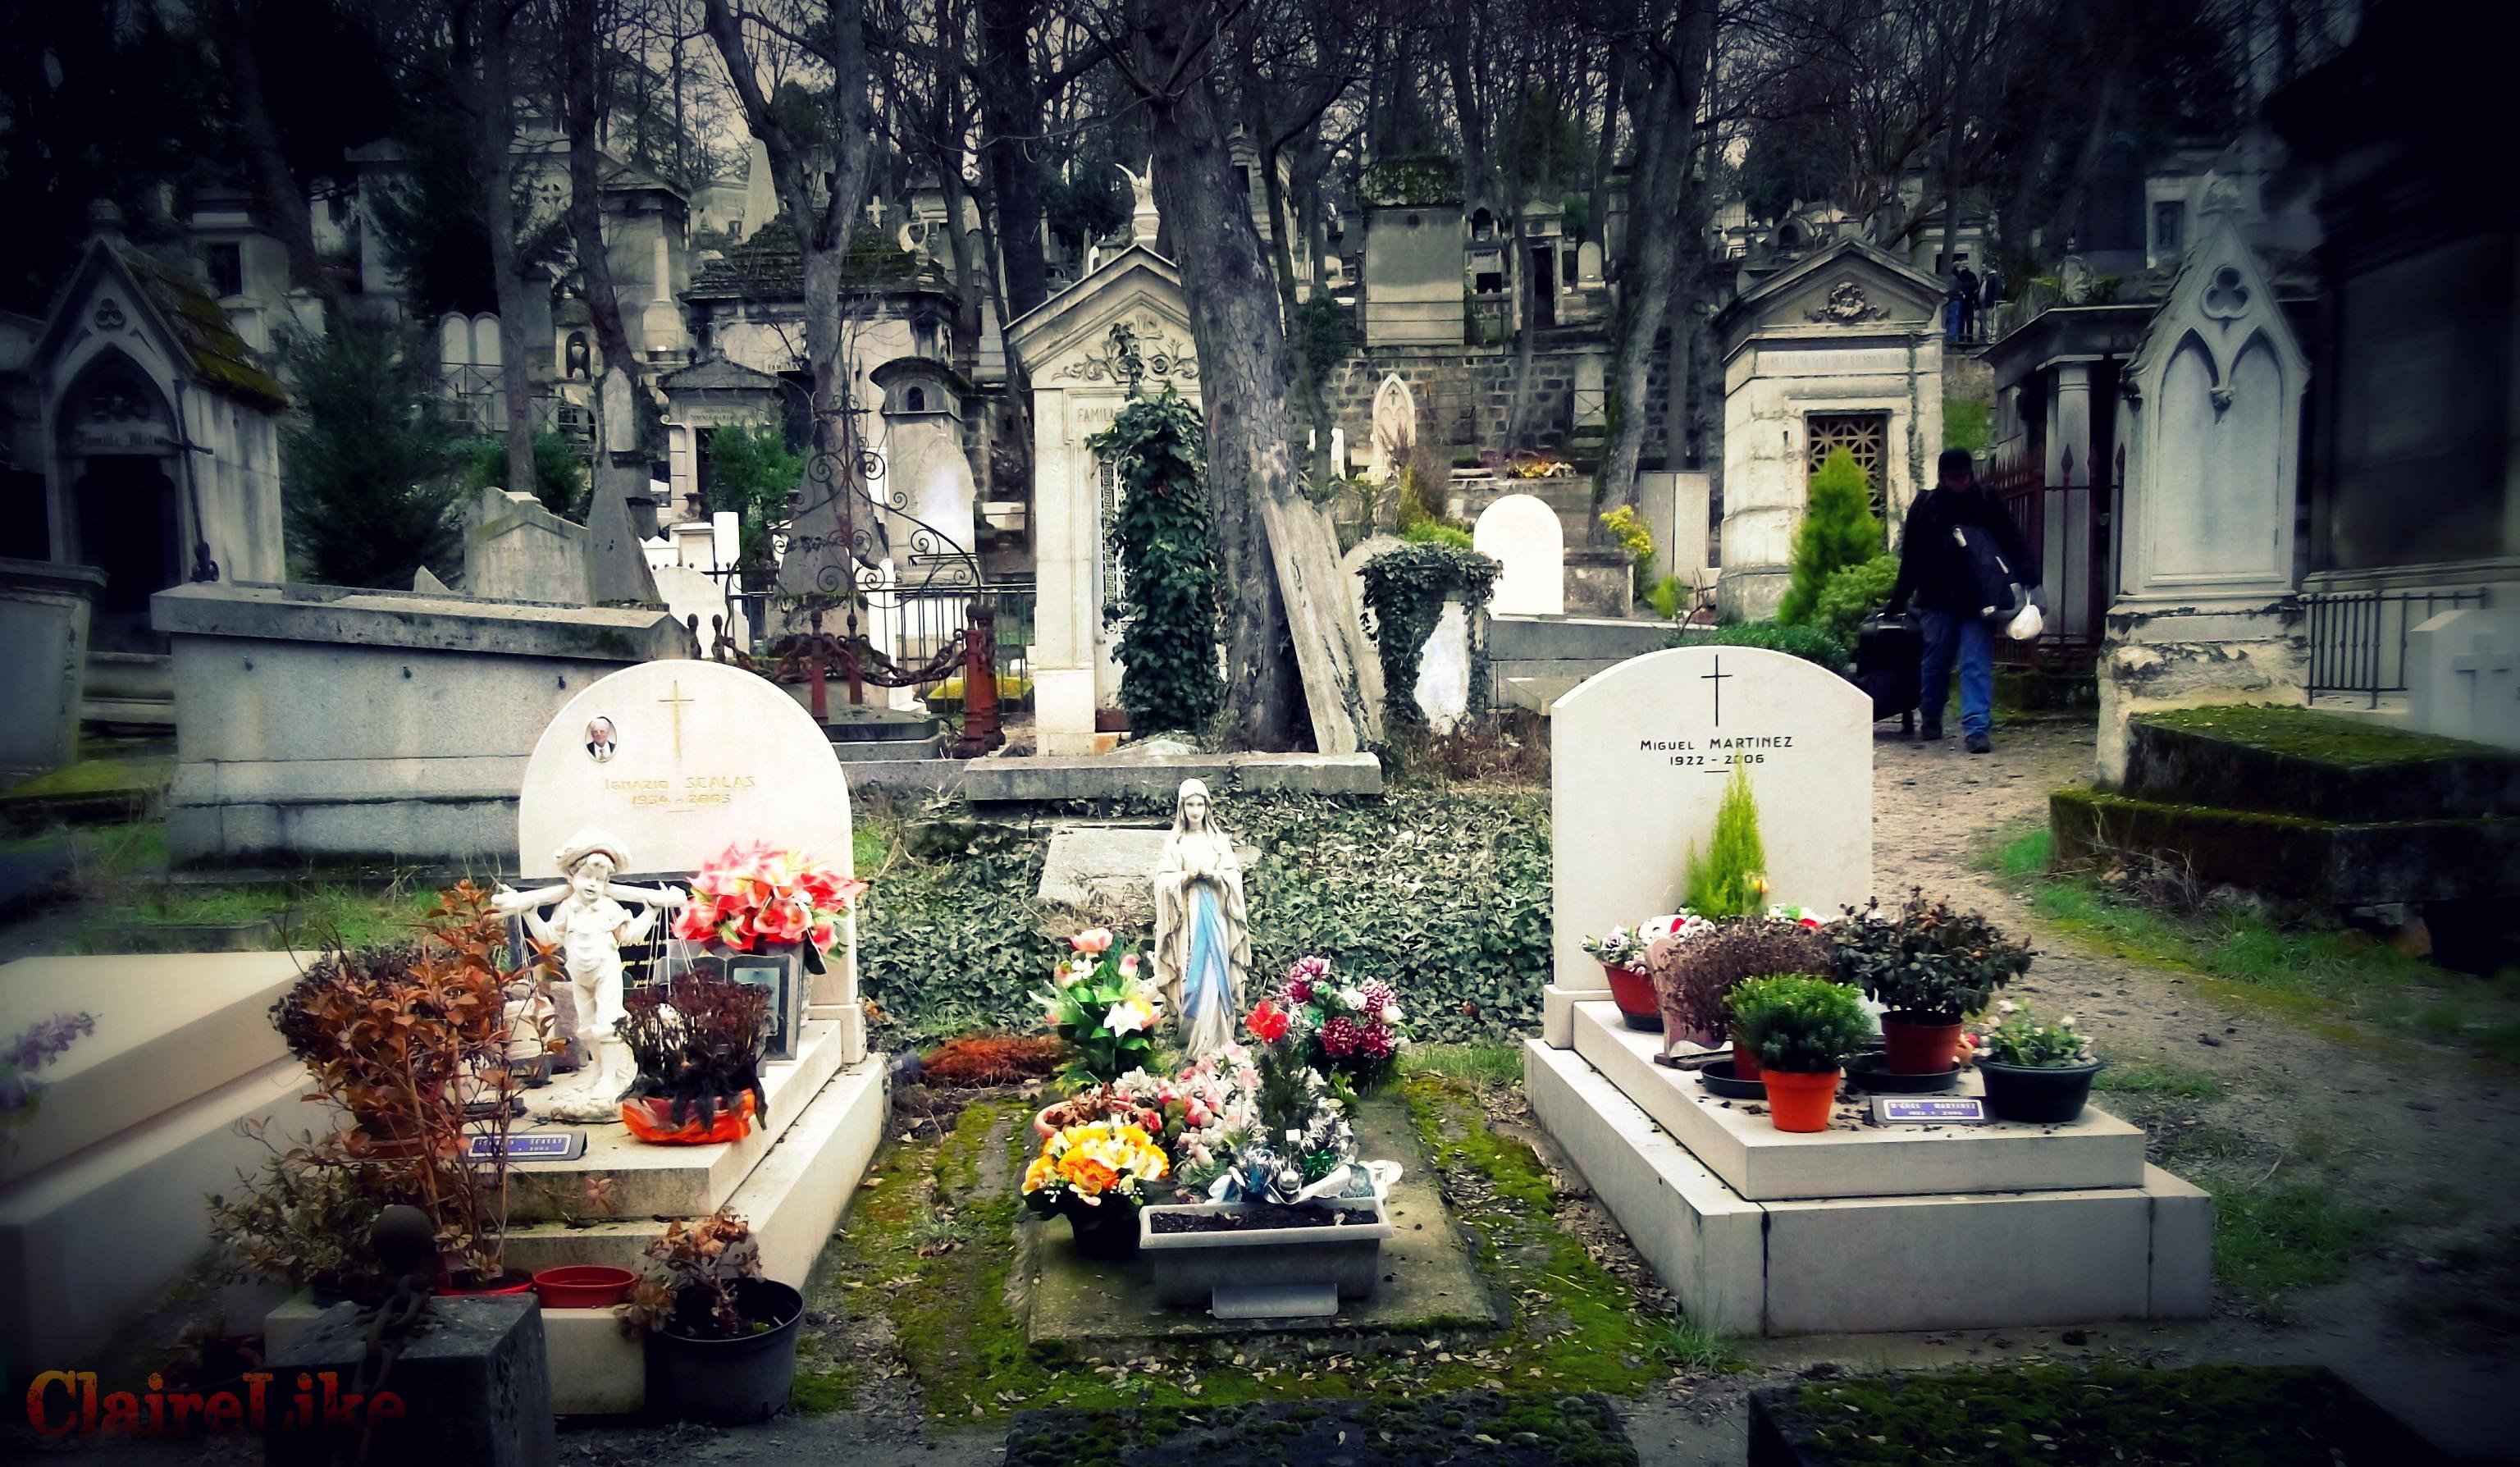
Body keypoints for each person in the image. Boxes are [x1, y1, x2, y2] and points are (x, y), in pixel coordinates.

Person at [1884, 448, 2038, 754]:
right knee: (1936, 660)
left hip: (1979, 598)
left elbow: (2012, 539)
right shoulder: (1926, 506)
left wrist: (2030, 578)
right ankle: (1931, 715)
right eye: (1956, 477)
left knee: (1974, 661)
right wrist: (1899, 599)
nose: (1962, 482)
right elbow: (1911, 557)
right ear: (1943, 476)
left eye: (1966, 476)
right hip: (1936, 596)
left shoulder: (1985, 500)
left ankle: (1976, 727)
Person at [1152, 778, 1251, 1057]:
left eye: (1200, 804)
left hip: (1216, 912)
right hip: (1189, 916)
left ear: (1207, 808)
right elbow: (1162, 881)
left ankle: (1219, 1038)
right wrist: (1187, 877)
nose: (1195, 810)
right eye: (1190, 805)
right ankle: (1193, 1036)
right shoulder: (1175, 842)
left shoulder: (1218, 841)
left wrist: (1214, 875)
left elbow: (1233, 875)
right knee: (1190, 967)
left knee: (1216, 967)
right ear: (1182, 809)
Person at [1952, 263, 1980, 342]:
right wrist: (1976, 301)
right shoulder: (1972, 276)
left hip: (1961, 300)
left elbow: (1957, 287)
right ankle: (1969, 338)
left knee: (1961, 320)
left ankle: (1961, 338)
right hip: (1970, 300)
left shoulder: (1959, 276)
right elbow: (1976, 289)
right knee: (1969, 320)